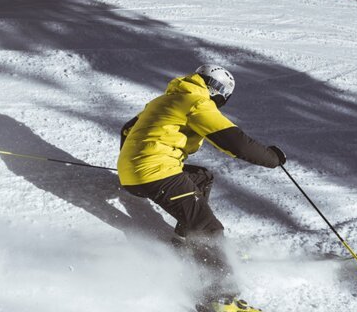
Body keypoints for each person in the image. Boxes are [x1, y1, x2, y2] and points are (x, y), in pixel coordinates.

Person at [117, 64, 286, 312]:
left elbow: (127, 129)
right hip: (156, 172)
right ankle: (219, 299)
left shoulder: (167, 98)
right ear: (220, 92)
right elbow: (234, 142)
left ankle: (186, 242)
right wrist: (272, 158)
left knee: (202, 177)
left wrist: (132, 163)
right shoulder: (196, 101)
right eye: (224, 99)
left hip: (135, 173)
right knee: (209, 228)